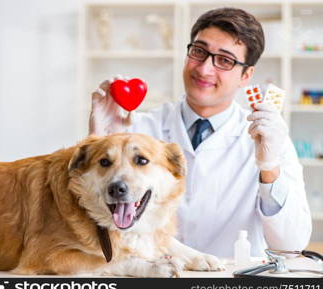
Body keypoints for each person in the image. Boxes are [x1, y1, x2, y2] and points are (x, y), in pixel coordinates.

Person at [89, 7, 312, 258]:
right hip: (149, 276)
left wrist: (269, 167)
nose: (204, 69)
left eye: (225, 60)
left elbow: (291, 243)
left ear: (245, 76)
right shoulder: (136, 130)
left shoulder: (270, 139)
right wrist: (97, 141)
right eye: (199, 51)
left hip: (230, 282)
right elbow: (87, 223)